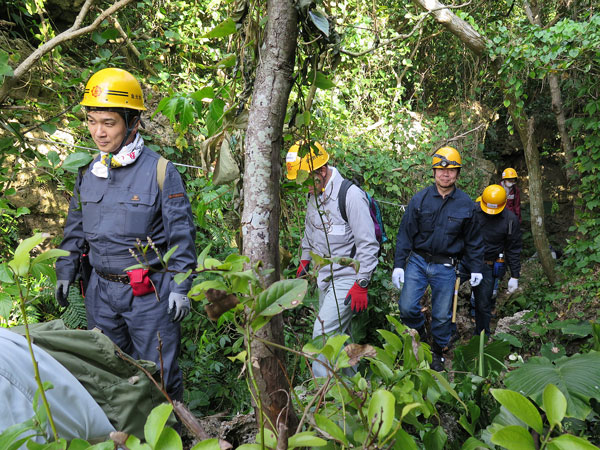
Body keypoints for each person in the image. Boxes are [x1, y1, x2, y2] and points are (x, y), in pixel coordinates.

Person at [54, 68, 197, 402]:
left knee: (158, 373)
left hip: (148, 294)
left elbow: (181, 236)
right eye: (92, 121)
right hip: (100, 292)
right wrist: (65, 271)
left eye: (109, 123)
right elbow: (75, 228)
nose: (98, 133)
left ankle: (168, 435)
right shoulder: (89, 171)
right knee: (108, 372)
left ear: (132, 122)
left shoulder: (160, 171)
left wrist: (181, 287)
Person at [286, 140, 379, 378]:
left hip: (349, 277)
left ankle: (325, 398)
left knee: (323, 334)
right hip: (324, 277)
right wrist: (305, 261)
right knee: (341, 340)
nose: (302, 186)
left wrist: (362, 283)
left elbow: (368, 245)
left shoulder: (350, 197)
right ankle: (354, 393)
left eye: (305, 179)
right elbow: (311, 233)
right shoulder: (314, 194)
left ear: (321, 171)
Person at [392, 146, 484, 371]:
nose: (446, 174)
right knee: (406, 307)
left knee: (443, 316)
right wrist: (398, 265)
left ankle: (438, 351)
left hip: (446, 266)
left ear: (457, 173)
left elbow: (473, 241)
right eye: (441, 170)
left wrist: (477, 268)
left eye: (452, 170)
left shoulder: (466, 204)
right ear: (434, 172)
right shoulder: (420, 199)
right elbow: (405, 233)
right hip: (418, 261)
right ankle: (421, 337)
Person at [473, 185, 522, 336]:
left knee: (483, 304)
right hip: (466, 260)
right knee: (448, 295)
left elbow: (513, 249)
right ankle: (445, 334)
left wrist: (514, 275)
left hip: (487, 264)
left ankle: (481, 337)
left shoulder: (509, 220)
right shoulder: (472, 211)